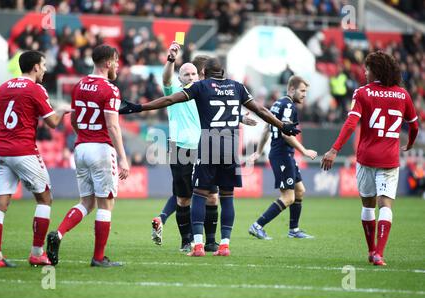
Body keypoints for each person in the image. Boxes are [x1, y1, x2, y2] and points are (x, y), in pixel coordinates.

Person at [121, 58, 300, 257]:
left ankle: (198, 246)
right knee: (226, 197)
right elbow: (260, 110)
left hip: (207, 145)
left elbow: (169, 99)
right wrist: (283, 126)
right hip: (231, 146)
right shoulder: (237, 87)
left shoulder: (201, 87)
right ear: (222, 71)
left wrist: (139, 107)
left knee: (198, 194)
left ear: (203, 73)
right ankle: (224, 245)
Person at [140, 43, 256, 252]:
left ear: (200, 75)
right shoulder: (175, 90)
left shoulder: (203, 91)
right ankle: (187, 242)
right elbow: (166, 78)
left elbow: (218, 114)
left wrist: (239, 118)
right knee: (184, 197)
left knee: (211, 196)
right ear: (180, 78)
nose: (191, 77)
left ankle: (210, 241)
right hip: (181, 149)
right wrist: (171, 59)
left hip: (206, 148)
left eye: (194, 73)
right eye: (186, 74)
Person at [321, 51, 419, 266]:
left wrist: (334, 149)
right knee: (386, 206)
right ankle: (379, 253)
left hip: (366, 158)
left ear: (375, 70)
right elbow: (414, 125)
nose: (364, 72)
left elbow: (350, 124)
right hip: (389, 159)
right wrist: (410, 143)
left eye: (367, 68)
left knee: (368, 206)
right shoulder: (403, 95)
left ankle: (371, 249)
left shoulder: (362, 93)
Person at [46, 45, 130, 267]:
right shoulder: (110, 90)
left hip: (81, 148)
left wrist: (82, 136)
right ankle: (98, 258)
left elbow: (73, 118)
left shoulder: (79, 84)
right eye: (117, 62)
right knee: (105, 205)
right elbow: (112, 125)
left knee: (86, 202)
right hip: (101, 149)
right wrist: (123, 157)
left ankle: (59, 233)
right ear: (109, 62)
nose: (118, 66)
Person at [0, 50, 67, 268]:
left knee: (0, 204)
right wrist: (61, 110)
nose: (45, 69)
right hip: (23, 151)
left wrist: (5, 138)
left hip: (1, 150)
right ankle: (36, 253)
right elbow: (52, 123)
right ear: (34, 67)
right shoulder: (36, 89)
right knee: (45, 198)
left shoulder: (2, 88)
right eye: (43, 65)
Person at [249, 76, 317, 240]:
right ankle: (257, 225)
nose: (304, 95)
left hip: (283, 154)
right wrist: (304, 150)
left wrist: (259, 151)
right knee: (288, 197)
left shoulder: (278, 103)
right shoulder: (288, 106)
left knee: (300, 191)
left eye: (306, 92)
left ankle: (294, 230)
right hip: (282, 155)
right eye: (302, 91)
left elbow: (267, 127)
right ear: (292, 89)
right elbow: (285, 134)